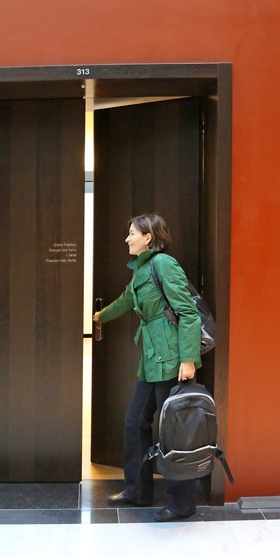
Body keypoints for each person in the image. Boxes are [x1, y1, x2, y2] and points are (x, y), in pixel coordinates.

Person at [92, 212, 202, 522]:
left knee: (174, 431)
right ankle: (137, 491)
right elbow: (126, 301)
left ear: (148, 237)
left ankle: (181, 504)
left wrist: (188, 359)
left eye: (132, 234)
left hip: (173, 360)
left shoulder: (164, 264)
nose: (127, 239)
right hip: (152, 360)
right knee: (135, 422)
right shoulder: (141, 270)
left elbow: (188, 314)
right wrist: (98, 318)